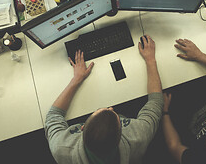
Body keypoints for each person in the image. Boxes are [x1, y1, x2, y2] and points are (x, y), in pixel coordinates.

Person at [45, 35, 163, 164]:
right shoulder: (138, 136)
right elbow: (155, 102)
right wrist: (150, 60)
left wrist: (76, 79)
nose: (110, 108)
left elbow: (54, 115)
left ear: (82, 128)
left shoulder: (61, 148)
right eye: (113, 113)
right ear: (121, 134)